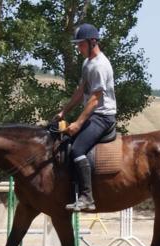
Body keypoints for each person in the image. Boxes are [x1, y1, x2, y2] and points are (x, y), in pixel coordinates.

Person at [54, 23, 117, 211]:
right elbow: (81, 91)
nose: (78, 48)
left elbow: (95, 99)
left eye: (80, 44)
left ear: (92, 42)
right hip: (93, 114)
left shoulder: (100, 66)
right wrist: (63, 111)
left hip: (103, 117)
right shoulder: (87, 62)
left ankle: (87, 197)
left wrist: (78, 123)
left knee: (77, 150)